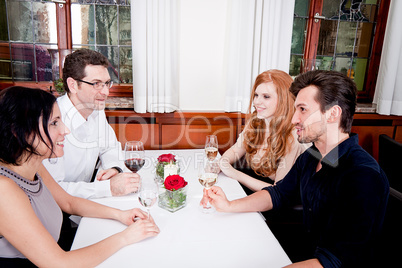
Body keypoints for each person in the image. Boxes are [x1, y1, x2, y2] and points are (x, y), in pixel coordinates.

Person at [203, 70, 389, 267]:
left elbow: (336, 260)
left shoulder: (363, 175)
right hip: (307, 250)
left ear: (333, 114)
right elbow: (278, 194)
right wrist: (229, 205)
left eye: (303, 110)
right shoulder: (313, 155)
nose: (293, 119)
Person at [0, 86, 159, 267]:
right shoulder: (4, 190)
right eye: (54, 123)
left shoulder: (32, 164)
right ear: (18, 131)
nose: (66, 130)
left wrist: (121, 215)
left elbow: (69, 202)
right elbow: (60, 264)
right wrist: (125, 237)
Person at [43, 48, 139, 199]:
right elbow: (54, 189)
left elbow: (110, 147)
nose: (106, 92)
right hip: (59, 212)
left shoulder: (95, 109)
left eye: (107, 83)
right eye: (96, 84)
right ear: (73, 85)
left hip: (87, 199)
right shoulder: (51, 122)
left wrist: (113, 168)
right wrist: (107, 188)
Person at [219, 69, 307, 193]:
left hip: (278, 202)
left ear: (284, 100)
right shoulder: (257, 121)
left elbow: (279, 191)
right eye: (256, 95)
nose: (256, 102)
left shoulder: (294, 136)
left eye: (266, 96)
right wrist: (222, 162)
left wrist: (234, 173)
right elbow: (235, 149)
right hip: (256, 188)